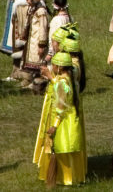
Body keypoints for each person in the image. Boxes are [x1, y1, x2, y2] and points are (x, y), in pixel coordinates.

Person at [33, 51, 86, 187]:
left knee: (62, 150)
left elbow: (61, 106)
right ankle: (72, 178)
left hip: (63, 121)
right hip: (70, 118)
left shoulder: (62, 82)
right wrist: (52, 77)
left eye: (54, 65)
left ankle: (65, 179)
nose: (52, 67)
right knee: (68, 150)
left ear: (60, 68)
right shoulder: (68, 79)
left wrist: (55, 125)